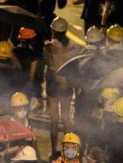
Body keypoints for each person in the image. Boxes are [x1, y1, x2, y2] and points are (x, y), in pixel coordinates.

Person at [44, 17, 78, 151]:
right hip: (67, 81)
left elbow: (46, 62)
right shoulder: (73, 47)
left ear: (53, 31)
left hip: (53, 81)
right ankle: (69, 150)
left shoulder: (49, 47)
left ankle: (53, 150)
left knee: (53, 119)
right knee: (66, 118)